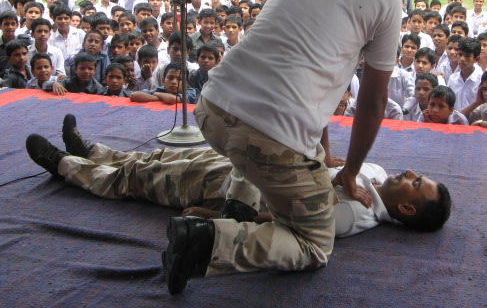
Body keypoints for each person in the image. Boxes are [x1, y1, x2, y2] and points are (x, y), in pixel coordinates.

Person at [158, 0, 399, 294]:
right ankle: (205, 241)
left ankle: (239, 207)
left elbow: (296, 62)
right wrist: (350, 173)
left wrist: (321, 150)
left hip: (213, 109)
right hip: (268, 141)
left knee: (254, 154)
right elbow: (372, 103)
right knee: (315, 242)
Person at [24, 115, 451, 239]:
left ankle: (64, 165)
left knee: (145, 181)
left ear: (407, 208)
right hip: (248, 165)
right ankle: (94, 152)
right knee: (162, 157)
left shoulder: (355, 218)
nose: (410, 172)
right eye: (418, 173)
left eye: (415, 183)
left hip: (239, 190)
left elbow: (288, 222)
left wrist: (218, 215)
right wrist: (335, 164)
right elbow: (332, 161)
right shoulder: (371, 173)